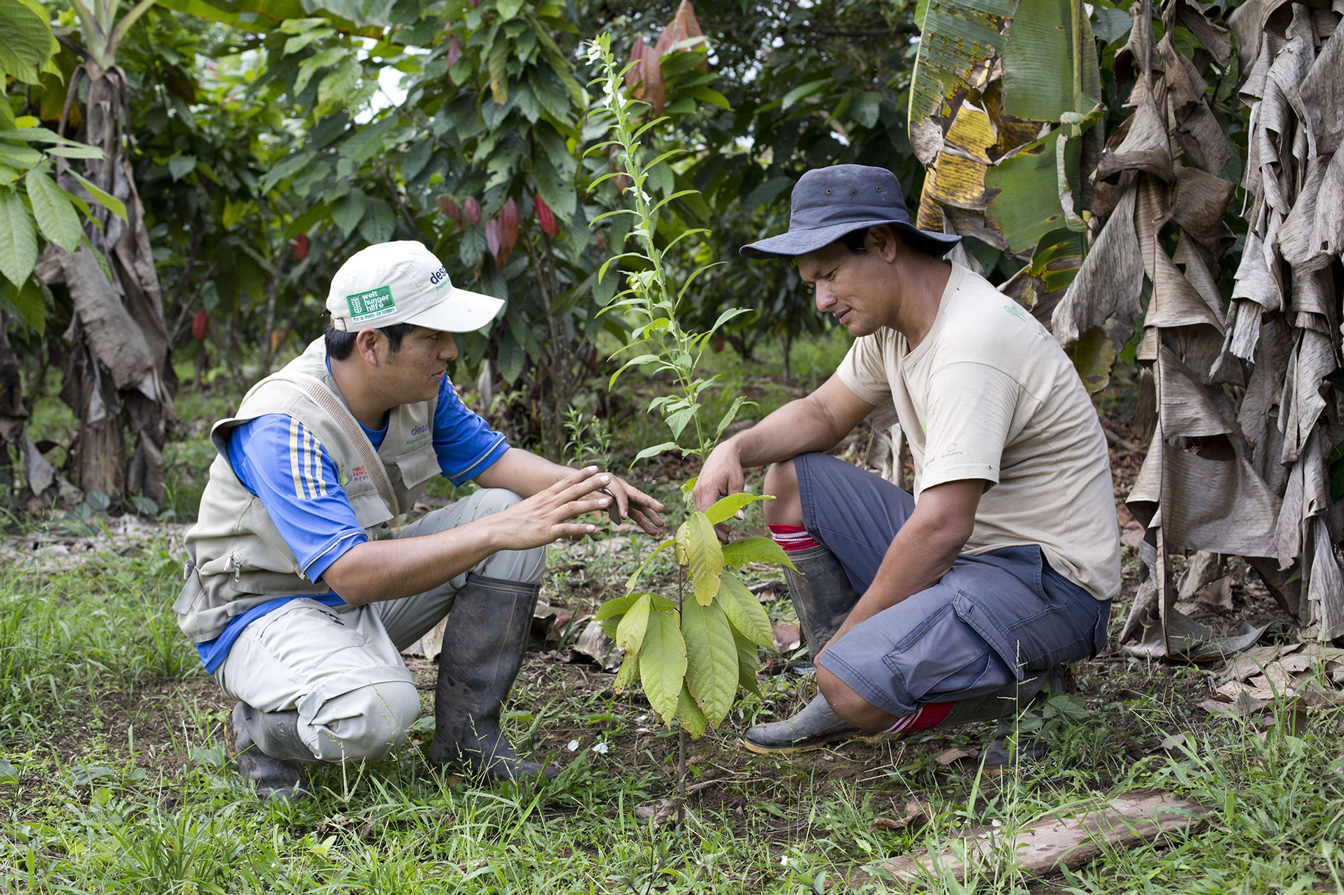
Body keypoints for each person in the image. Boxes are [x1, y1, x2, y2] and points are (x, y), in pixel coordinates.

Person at [175, 241, 664, 799]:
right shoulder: (284, 424)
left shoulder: (419, 390)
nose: (451, 351)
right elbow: (353, 573)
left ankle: (466, 741)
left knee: (506, 510)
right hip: (260, 613)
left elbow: (497, 463)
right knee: (379, 711)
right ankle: (260, 731)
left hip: (347, 598)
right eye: (433, 337)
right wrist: (497, 532)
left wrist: (588, 485)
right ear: (372, 344)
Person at [692, 165, 1120, 758]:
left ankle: (1025, 695)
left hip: (1048, 585)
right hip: (974, 561)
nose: (821, 299)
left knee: (851, 684)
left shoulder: (972, 343)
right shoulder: (898, 324)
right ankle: (841, 676)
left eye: (830, 275)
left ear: (883, 245)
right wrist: (733, 447)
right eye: (812, 282)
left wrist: (851, 640)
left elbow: (943, 527)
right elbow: (822, 413)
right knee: (791, 478)